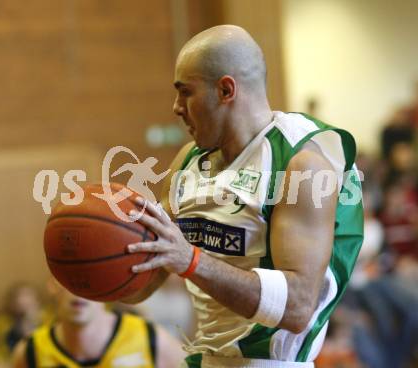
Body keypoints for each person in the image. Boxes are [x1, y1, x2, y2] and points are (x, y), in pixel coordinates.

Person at [122, 25, 364, 368]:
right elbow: (146, 278)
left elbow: (297, 307)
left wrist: (191, 260)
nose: (176, 107)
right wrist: (98, 257)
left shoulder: (301, 164)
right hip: (205, 356)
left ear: (225, 90)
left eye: (185, 92)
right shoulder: (188, 160)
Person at [12, 279, 185, 368]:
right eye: (71, 278)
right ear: (53, 285)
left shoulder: (150, 337)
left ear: (108, 285)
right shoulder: (30, 352)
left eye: (91, 278)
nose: (79, 290)